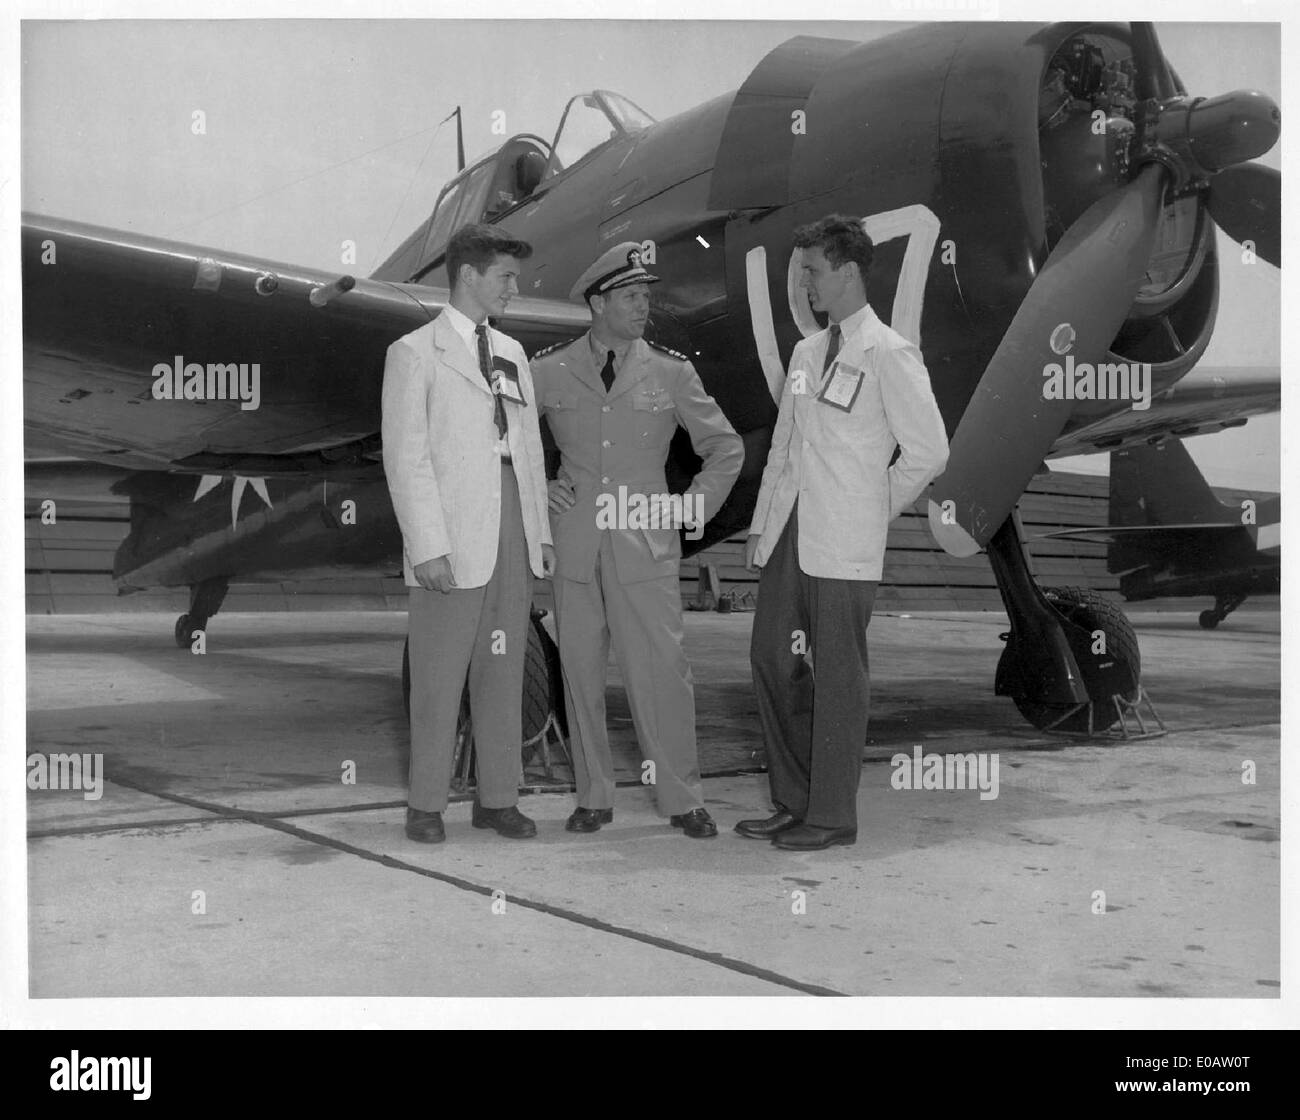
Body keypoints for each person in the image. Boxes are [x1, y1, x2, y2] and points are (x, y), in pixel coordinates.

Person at [740, 215, 949, 851]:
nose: (803, 283)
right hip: (790, 534)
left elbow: (930, 451)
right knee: (772, 661)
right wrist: (762, 531)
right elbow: (785, 446)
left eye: (813, 272)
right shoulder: (806, 353)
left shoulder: (890, 353)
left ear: (849, 272)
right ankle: (792, 800)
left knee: (836, 674)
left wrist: (871, 507)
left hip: (844, 540)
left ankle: (831, 816)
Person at [532, 243, 743, 838]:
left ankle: (681, 798)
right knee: (579, 674)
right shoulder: (547, 369)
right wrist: (539, 487)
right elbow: (513, 446)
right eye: (630, 296)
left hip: (646, 547)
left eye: (645, 296)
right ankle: (593, 794)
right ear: (598, 303)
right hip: (575, 550)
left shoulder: (672, 372)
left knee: (664, 674)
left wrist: (689, 509)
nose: (642, 306)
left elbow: (725, 448)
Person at [381, 223, 555, 844]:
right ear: (469, 276)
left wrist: (540, 535)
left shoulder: (511, 355)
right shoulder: (414, 352)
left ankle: (498, 798)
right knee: (438, 673)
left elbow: (529, 451)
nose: (516, 287)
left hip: (511, 523)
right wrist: (426, 545)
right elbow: (406, 458)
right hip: (449, 533)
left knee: (504, 669)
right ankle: (426, 804)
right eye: (506, 276)